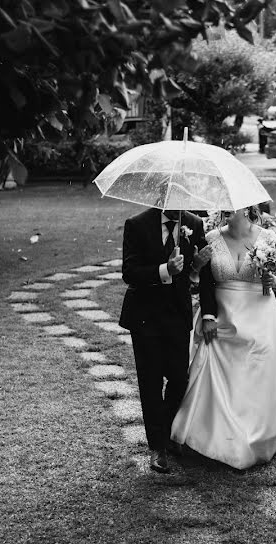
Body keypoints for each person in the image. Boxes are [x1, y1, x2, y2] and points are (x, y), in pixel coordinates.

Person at [171, 205, 276, 470]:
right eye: (223, 205)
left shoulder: (269, 240)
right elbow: (203, 281)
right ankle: (214, 436)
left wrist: (273, 278)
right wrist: (207, 315)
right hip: (222, 318)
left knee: (256, 375)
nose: (226, 209)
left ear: (248, 207)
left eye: (232, 205)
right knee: (216, 375)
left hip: (260, 318)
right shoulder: (211, 238)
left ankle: (256, 433)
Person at [118, 196, 215, 474]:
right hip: (145, 316)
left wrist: (195, 266)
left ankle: (166, 432)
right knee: (150, 382)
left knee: (179, 378)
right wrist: (165, 270)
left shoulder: (194, 224)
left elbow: (197, 277)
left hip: (177, 314)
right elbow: (130, 272)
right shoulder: (137, 224)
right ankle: (158, 447)